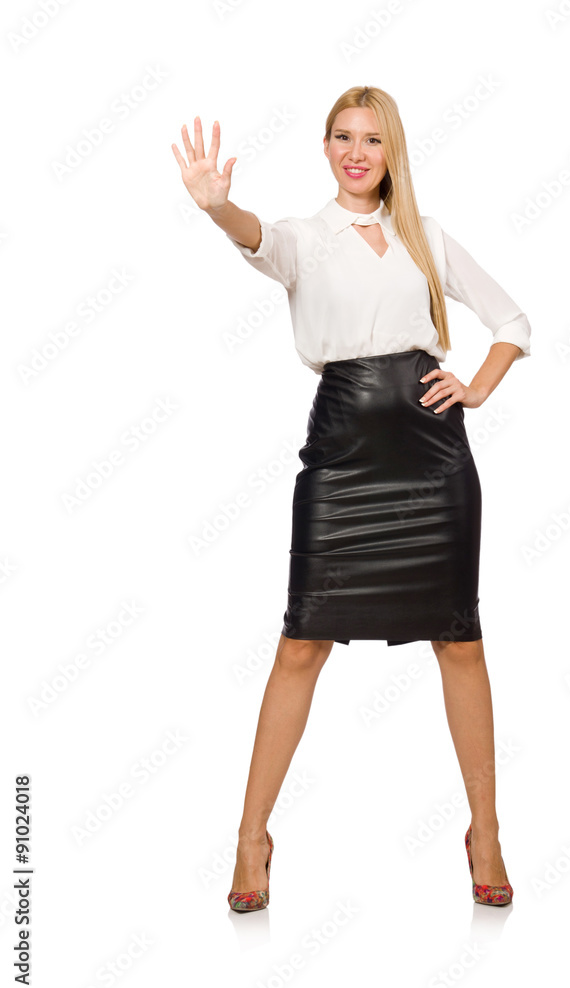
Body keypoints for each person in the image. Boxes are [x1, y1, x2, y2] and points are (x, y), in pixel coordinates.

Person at [171, 85, 530, 911]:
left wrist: (476, 385)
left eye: (371, 138)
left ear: (391, 148)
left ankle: (485, 832)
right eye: (342, 137)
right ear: (326, 147)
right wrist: (218, 207)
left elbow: (512, 322)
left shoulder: (425, 237)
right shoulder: (305, 239)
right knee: (302, 643)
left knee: (459, 641)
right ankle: (251, 837)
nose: (356, 152)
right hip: (342, 459)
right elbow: (254, 236)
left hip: (434, 462)